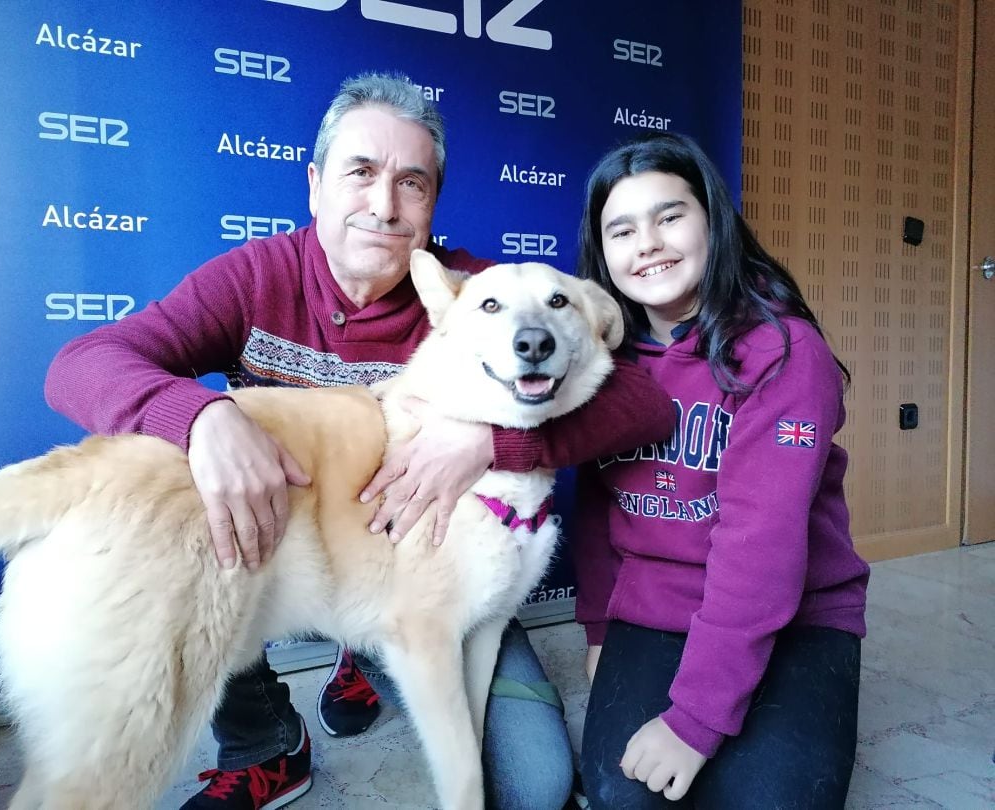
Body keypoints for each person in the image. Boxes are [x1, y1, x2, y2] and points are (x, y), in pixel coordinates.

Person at [44, 73, 676, 810]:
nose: (384, 204)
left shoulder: (478, 291)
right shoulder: (255, 276)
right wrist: (201, 418)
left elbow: (643, 399)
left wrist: (489, 446)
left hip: (418, 569)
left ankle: (358, 659)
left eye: (412, 183)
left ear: (433, 202)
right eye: (361, 173)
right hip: (271, 552)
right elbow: (79, 365)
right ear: (315, 185)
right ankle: (265, 743)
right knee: (200, 521)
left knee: (535, 783)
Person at [572, 132, 870, 809]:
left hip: (796, 612)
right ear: (603, 253)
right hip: (653, 605)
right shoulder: (596, 360)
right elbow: (593, 509)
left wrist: (696, 720)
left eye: (670, 216)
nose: (646, 241)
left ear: (713, 220)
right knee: (623, 797)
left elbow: (759, 549)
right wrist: (599, 630)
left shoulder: (784, 353)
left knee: (766, 801)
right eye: (622, 229)